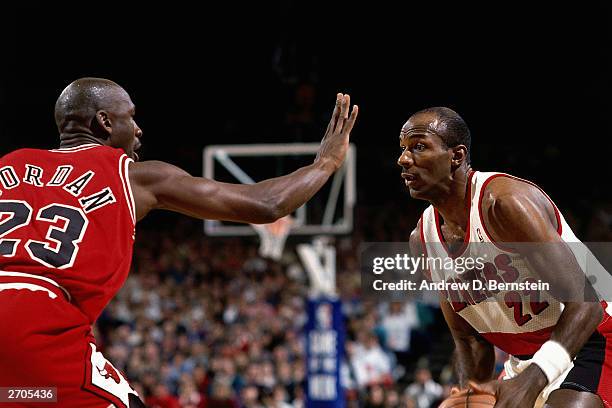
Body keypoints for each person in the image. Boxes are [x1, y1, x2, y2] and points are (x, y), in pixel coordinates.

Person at [0, 77, 358, 407]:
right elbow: (267, 204)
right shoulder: (134, 175)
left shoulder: (9, 164)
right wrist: (325, 164)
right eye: (132, 117)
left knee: (21, 397)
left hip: (22, 359)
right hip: (38, 326)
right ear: (105, 123)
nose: (138, 130)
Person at [400, 107, 611, 407]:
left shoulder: (503, 203)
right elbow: (470, 341)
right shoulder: (423, 241)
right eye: (403, 149)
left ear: (456, 156)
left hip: (597, 334)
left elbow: (587, 305)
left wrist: (533, 379)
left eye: (419, 146)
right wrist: (472, 394)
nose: (404, 159)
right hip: (530, 357)